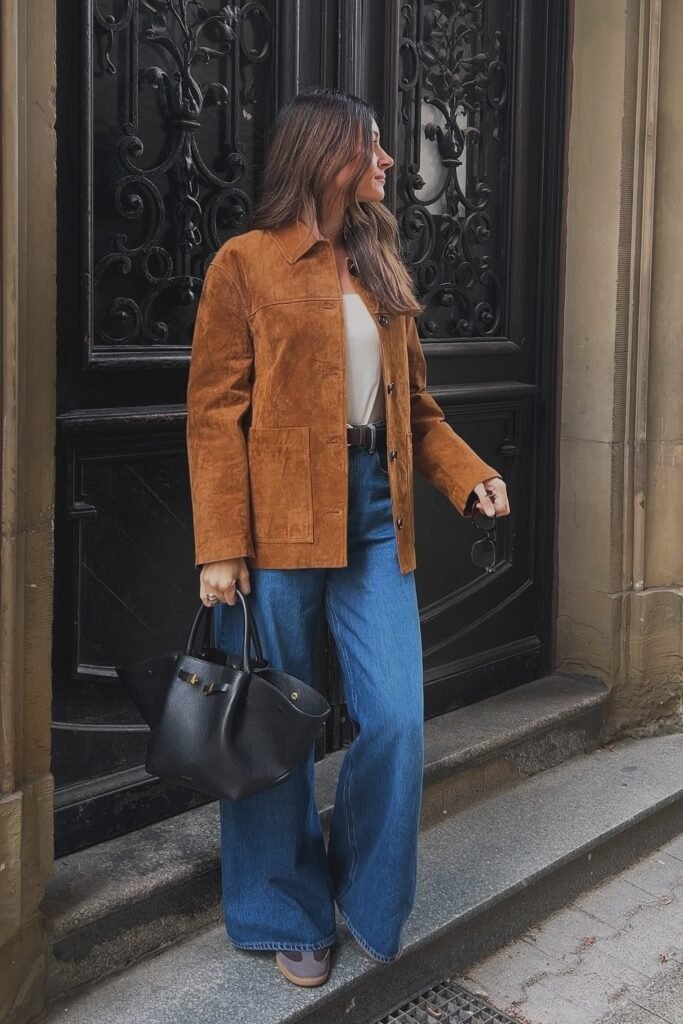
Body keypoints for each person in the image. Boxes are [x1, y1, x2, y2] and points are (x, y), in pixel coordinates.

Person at [186, 86, 510, 988]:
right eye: (371, 145)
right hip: (277, 516)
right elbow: (214, 414)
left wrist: (466, 474)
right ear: (322, 151)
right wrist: (221, 545)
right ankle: (282, 910)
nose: (386, 161)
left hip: (376, 512)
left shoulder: (378, 262)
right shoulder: (244, 264)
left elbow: (421, 409)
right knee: (270, 731)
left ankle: (368, 896)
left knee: (397, 719)